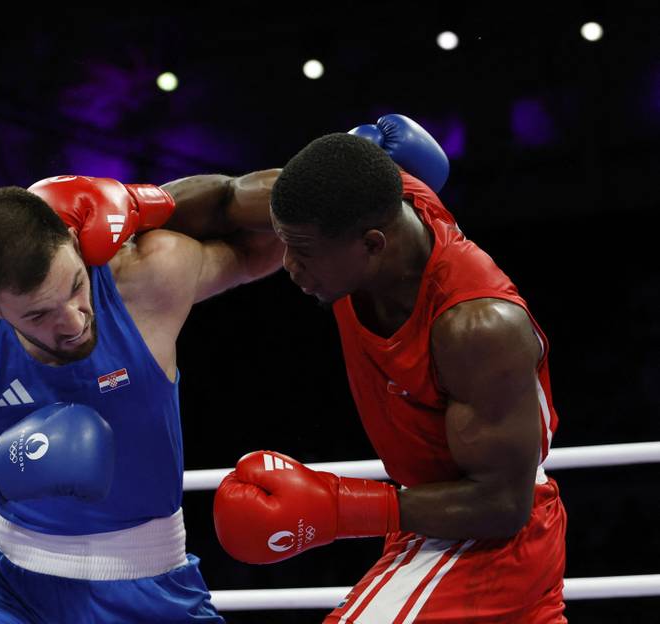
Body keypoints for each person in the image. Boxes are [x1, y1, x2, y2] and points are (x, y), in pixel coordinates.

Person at [0, 171, 283, 622]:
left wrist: (142, 204)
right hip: (14, 596)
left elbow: (270, 237)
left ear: (72, 239)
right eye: (39, 314)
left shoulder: (146, 276)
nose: (71, 320)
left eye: (75, 285)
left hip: (156, 588)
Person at [213, 115, 567, 623]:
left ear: (374, 244)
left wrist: (341, 509)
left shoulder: (478, 327)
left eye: (305, 252)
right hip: (435, 521)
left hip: (494, 541)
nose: (289, 266)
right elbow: (225, 200)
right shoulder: (357, 193)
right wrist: (139, 208)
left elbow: (505, 505)